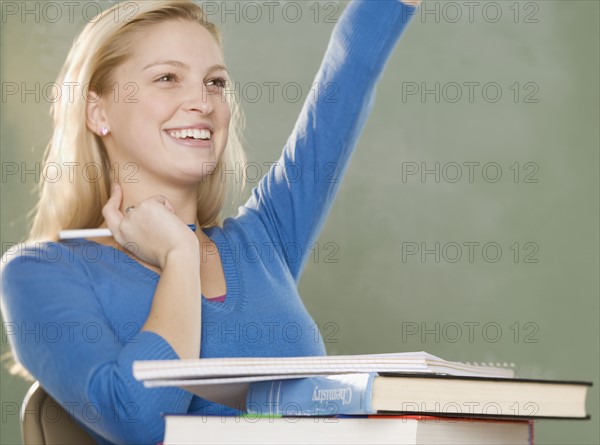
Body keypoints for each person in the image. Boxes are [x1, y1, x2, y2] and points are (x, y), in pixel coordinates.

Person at [1, 0, 421, 443]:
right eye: (167, 78)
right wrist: (179, 256)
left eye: (215, 82)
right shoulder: (39, 272)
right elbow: (139, 422)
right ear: (98, 111)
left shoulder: (264, 240)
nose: (202, 102)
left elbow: (348, 76)